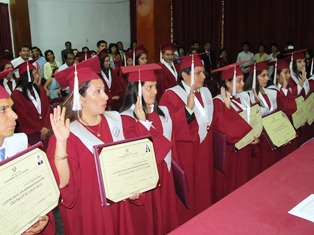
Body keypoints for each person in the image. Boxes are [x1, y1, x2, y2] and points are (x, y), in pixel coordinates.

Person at [49, 56, 135, 234]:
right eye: (98, 91)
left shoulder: (117, 122)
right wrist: (61, 142)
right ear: (79, 98)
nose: (106, 96)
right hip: (89, 213)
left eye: (104, 90)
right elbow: (63, 183)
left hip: (119, 203)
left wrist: (134, 183)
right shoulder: (66, 134)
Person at [120, 63, 179, 234]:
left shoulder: (160, 113)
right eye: (150, 87)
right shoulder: (125, 120)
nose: (155, 91)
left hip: (164, 175)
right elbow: (141, 153)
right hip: (146, 181)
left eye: (155, 87)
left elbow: (168, 146)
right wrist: (143, 122)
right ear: (136, 91)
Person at [159, 54, 214, 224]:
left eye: (203, 72)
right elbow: (167, 126)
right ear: (184, 75)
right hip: (186, 153)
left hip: (204, 150)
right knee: (190, 189)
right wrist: (188, 111)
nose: (204, 76)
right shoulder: (170, 96)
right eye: (198, 73)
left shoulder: (205, 93)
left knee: (203, 186)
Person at [0, 68, 55, 235]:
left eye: (11, 108)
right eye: (3, 110)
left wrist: (38, 214)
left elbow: (31, 191)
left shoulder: (20, 143)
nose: (14, 116)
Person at [211, 62, 255, 200]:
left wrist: (255, 134)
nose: (243, 83)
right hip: (230, 153)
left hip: (244, 148)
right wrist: (228, 108)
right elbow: (229, 132)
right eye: (239, 81)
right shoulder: (218, 102)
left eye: (243, 80)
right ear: (228, 83)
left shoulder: (244, 98)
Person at [11, 61, 52, 150]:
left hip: (46, 130)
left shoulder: (40, 89)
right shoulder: (16, 94)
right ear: (27, 76)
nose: (37, 76)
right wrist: (40, 128)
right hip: (31, 133)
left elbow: (47, 109)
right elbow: (23, 116)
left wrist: (46, 126)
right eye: (35, 74)